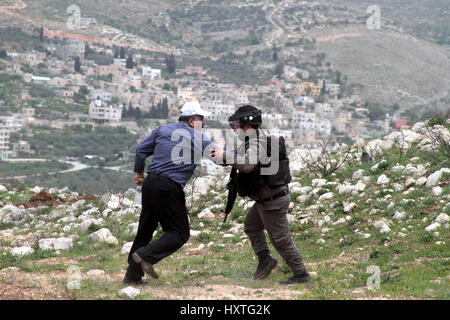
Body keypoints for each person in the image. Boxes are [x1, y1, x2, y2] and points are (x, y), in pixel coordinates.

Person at [210, 105, 311, 285]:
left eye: (236, 124)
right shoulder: (254, 140)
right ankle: (265, 260)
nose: (234, 128)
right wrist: (223, 156)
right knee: (251, 225)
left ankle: (301, 274)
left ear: (246, 123)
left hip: (272, 201)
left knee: (280, 239)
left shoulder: (257, 142)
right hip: (266, 200)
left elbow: (248, 165)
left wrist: (224, 154)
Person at [123, 100, 214, 284]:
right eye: (201, 119)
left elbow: (141, 150)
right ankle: (145, 257)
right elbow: (218, 155)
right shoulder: (198, 137)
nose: (203, 124)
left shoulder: (162, 130)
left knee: (145, 230)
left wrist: (139, 172)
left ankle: (132, 277)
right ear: (191, 121)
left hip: (150, 184)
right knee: (179, 233)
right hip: (169, 187)